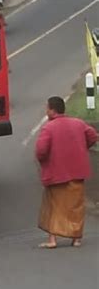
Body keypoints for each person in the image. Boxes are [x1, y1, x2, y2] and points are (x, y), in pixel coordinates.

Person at [35, 96, 98, 249]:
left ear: (52, 110)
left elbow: (41, 150)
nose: (46, 110)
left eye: (47, 108)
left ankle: (52, 240)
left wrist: (43, 160)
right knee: (76, 206)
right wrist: (83, 147)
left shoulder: (48, 128)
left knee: (53, 206)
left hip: (56, 173)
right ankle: (76, 238)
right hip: (77, 171)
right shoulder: (78, 123)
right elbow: (93, 136)